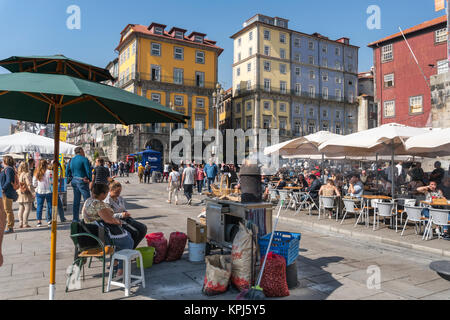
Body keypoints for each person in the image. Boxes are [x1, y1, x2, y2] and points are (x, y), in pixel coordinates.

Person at [82, 183, 134, 277]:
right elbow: (108, 220)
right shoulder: (97, 203)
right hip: (99, 237)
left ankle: (114, 263)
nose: (106, 195)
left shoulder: (88, 201)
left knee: (124, 238)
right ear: (102, 194)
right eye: (106, 193)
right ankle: (120, 271)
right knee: (128, 241)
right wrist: (118, 222)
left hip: (90, 234)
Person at [104, 181, 147, 249]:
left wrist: (125, 213)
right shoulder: (107, 201)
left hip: (125, 218)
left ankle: (132, 248)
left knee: (143, 228)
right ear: (110, 190)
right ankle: (129, 249)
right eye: (116, 192)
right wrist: (121, 215)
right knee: (135, 232)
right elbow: (108, 216)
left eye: (119, 192)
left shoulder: (120, 198)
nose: (118, 194)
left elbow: (123, 208)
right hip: (115, 222)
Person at [67, 147, 92, 223]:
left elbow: (68, 170)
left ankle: (75, 218)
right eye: (83, 151)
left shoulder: (71, 160)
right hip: (82, 180)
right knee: (87, 200)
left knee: (76, 200)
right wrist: (90, 179)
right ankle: (87, 218)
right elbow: (88, 171)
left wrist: (70, 178)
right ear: (81, 151)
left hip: (74, 180)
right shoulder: (84, 159)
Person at [0, 156, 18, 234]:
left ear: (5, 162)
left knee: (8, 210)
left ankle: (10, 227)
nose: (2, 163)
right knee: (5, 210)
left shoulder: (9, 169)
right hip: (5, 192)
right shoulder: (7, 169)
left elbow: (8, 181)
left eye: (3, 161)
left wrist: (3, 189)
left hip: (7, 193)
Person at [32, 160, 53, 227]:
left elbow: (34, 183)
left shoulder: (36, 172)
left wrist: (37, 186)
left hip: (40, 191)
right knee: (49, 206)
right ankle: (49, 220)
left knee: (39, 207)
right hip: (48, 191)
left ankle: (39, 221)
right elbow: (52, 181)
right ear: (46, 164)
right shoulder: (49, 172)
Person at [17, 162, 34, 228]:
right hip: (26, 193)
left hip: (20, 192)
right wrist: (33, 192)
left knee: (21, 208)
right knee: (27, 208)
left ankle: (20, 223)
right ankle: (25, 223)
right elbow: (29, 184)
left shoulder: (19, 174)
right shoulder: (27, 174)